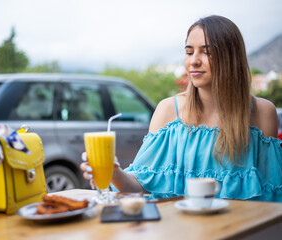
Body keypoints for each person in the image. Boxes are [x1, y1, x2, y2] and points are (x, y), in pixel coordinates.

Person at [80, 15, 282, 202]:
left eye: (206, 52)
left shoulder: (263, 113)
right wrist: (115, 173)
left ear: (230, 58)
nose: (193, 60)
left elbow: (272, 198)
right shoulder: (168, 110)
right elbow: (140, 187)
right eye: (189, 52)